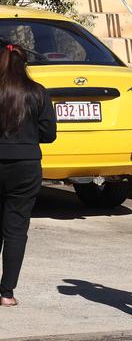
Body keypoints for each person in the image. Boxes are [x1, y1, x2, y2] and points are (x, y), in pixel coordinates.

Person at [0, 44, 56, 306]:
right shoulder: (38, 93)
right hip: (25, 165)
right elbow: (49, 134)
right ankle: (7, 293)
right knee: (16, 229)